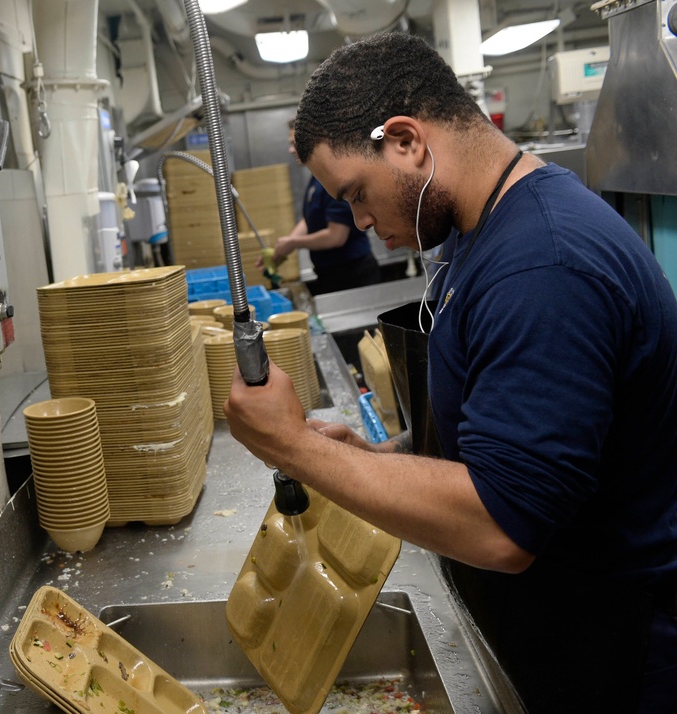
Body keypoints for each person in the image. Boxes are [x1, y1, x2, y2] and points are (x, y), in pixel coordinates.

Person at [225, 32, 677, 713]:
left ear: (405, 140)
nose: (361, 220)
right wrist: (388, 457)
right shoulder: (483, 230)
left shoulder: (544, 267)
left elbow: (503, 525)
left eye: (356, 192)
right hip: (554, 624)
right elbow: (516, 431)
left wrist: (292, 447)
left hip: (613, 649)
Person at [257, 118, 380, 295]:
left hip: (351, 275)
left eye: (294, 144)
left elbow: (336, 236)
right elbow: (310, 219)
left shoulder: (335, 180)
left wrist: (293, 243)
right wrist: (282, 250)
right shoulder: (317, 179)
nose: (290, 150)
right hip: (329, 273)